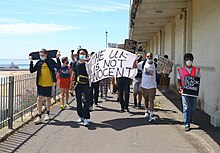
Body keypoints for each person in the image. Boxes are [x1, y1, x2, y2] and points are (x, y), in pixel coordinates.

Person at [29, 48, 61, 124]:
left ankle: (47, 114)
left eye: (42, 55)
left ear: (46, 54)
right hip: (40, 83)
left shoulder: (50, 61)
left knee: (48, 98)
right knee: (39, 99)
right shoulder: (39, 62)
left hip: (49, 83)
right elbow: (32, 70)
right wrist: (31, 61)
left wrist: (57, 58)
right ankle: (39, 116)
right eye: (40, 55)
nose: (41, 56)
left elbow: (58, 67)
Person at [177, 53, 200, 132]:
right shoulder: (181, 70)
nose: (189, 61)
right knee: (186, 108)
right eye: (187, 60)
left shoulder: (196, 70)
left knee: (193, 108)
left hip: (193, 92)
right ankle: (187, 124)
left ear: (192, 60)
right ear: (185, 61)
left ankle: (189, 118)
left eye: (190, 59)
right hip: (185, 92)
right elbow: (179, 80)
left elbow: (198, 80)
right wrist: (180, 86)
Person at [133, 52, 157, 122]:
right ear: (146, 57)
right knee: (146, 99)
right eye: (148, 56)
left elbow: (162, 71)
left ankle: (151, 115)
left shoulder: (155, 64)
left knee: (151, 100)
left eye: (150, 56)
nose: (149, 57)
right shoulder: (142, 64)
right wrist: (135, 59)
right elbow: (134, 66)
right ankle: (146, 111)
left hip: (152, 86)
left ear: (152, 57)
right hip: (144, 86)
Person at [72, 48, 90, 127]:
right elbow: (73, 74)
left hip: (86, 84)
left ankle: (86, 118)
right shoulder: (75, 63)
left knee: (86, 100)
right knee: (78, 100)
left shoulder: (88, 64)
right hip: (77, 84)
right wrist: (71, 85)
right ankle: (80, 116)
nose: (82, 55)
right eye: (81, 53)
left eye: (84, 53)